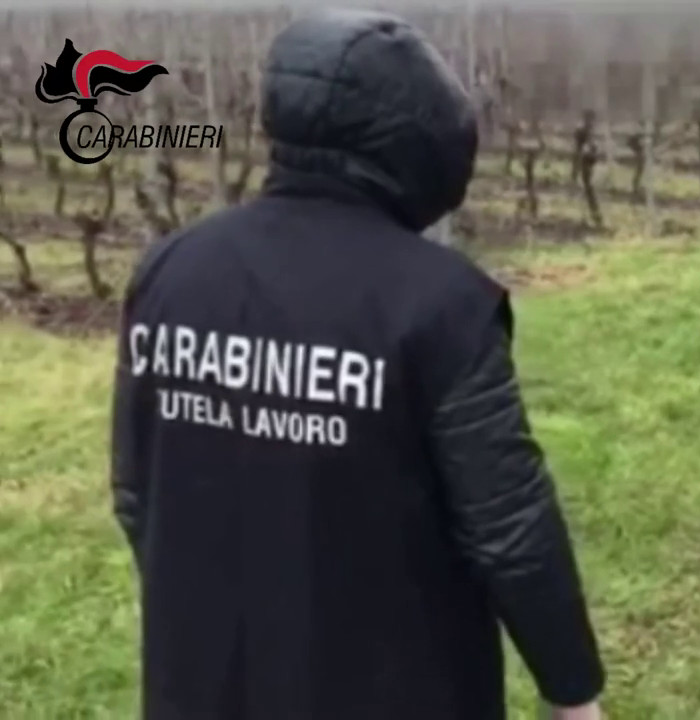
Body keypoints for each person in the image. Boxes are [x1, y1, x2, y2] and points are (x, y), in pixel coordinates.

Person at [109, 10, 604, 720]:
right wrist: (574, 694)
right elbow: (509, 527)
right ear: (421, 143)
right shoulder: (441, 304)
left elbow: (136, 493)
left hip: (204, 684)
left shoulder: (169, 270)